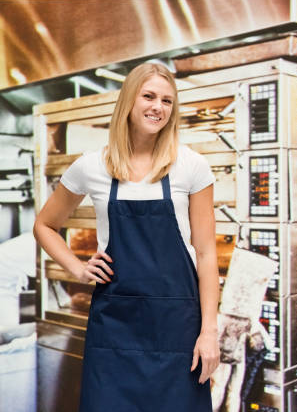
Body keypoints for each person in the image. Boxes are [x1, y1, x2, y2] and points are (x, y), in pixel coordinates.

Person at [33, 62, 219, 411]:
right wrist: (77, 268)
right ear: (128, 103)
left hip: (177, 330)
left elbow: (207, 255)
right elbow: (44, 225)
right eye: (148, 96)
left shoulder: (192, 166)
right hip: (115, 330)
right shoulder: (92, 166)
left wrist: (209, 332)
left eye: (167, 100)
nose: (158, 107)